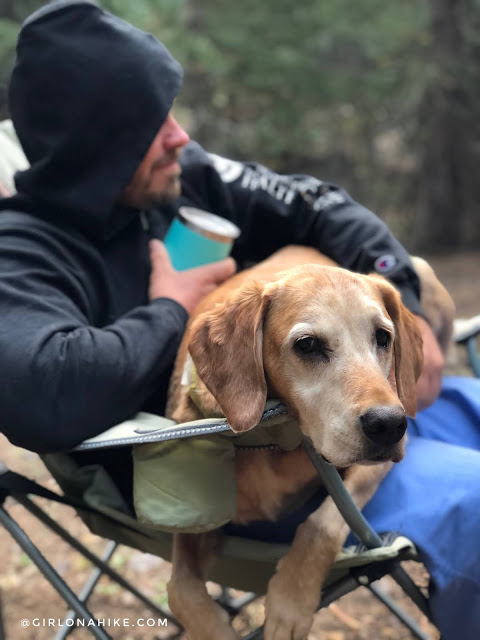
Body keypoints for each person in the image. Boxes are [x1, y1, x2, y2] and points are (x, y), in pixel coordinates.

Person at [0, 2, 478, 639]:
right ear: (92, 148)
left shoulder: (181, 177)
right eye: (148, 125)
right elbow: (40, 393)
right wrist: (171, 306)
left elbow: (318, 205)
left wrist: (408, 310)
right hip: (252, 472)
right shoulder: (23, 251)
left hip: (350, 406)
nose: (178, 136)